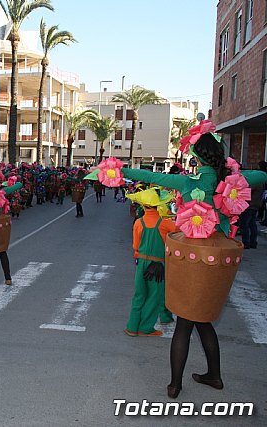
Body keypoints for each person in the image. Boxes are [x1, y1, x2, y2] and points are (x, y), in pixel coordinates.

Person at [114, 125, 267, 398]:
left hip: (191, 256)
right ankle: (215, 376)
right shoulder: (231, 181)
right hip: (220, 256)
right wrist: (236, 174)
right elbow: (261, 175)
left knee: (185, 321)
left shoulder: (190, 183)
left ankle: (175, 385)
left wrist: (121, 171)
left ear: (197, 156)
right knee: (204, 318)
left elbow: (150, 175)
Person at [123, 188, 177, 337]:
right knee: (154, 296)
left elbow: (135, 246)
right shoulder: (165, 224)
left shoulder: (138, 223)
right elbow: (178, 232)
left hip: (141, 263)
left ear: (143, 205)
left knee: (139, 295)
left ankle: (132, 327)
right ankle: (146, 327)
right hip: (158, 264)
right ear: (157, 205)